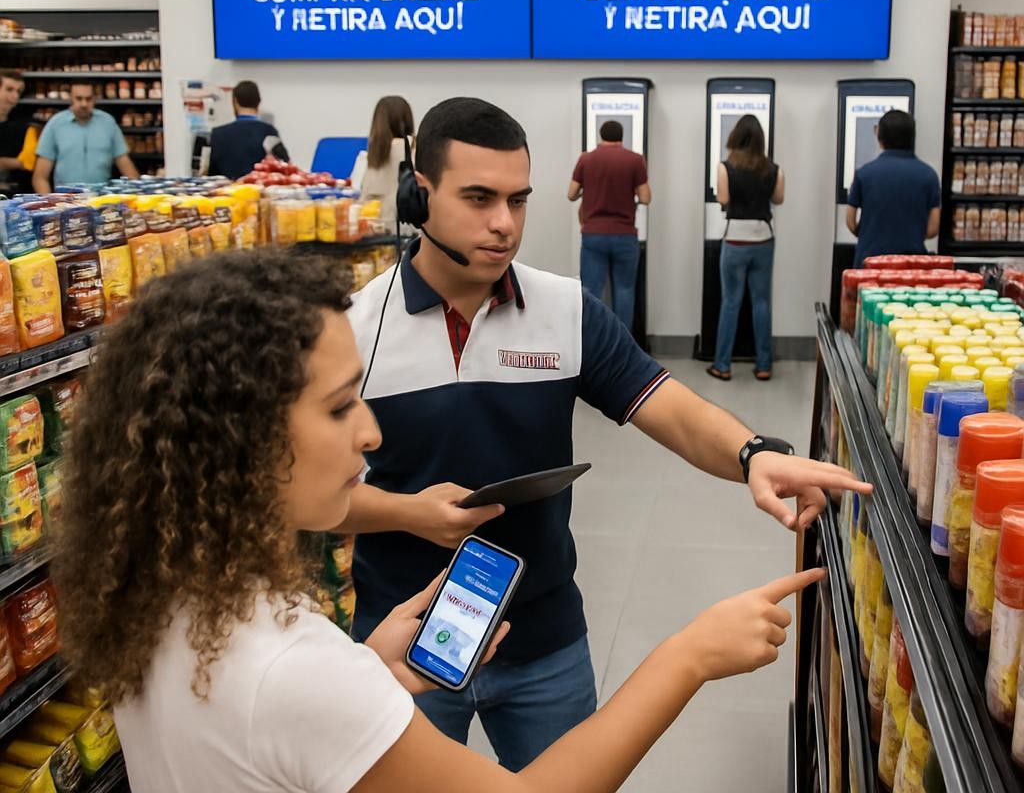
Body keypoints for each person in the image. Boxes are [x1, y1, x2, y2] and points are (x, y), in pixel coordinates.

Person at [53, 247, 827, 792]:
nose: (372, 433)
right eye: (338, 406)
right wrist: (688, 654)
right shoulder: (292, 671)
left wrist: (369, 671)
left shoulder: (166, 599)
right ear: (236, 435)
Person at [343, 97, 870, 770]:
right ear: (419, 195)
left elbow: (667, 403)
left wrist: (752, 454)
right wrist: (406, 513)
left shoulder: (563, 310)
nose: (504, 224)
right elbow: (306, 498)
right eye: (478, 198)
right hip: (401, 641)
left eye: (518, 200)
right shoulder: (355, 330)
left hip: (544, 636)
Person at [708, 115, 785, 383]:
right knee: (761, 303)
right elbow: (778, 199)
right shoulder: (773, 168)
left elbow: (723, 199)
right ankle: (764, 365)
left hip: (736, 239)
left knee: (730, 302)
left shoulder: (725, 167)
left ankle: (722, 365)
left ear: (736, 137)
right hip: (763, 238)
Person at [567, 119, 651, 328]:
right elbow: (646, 197)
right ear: (621, 137)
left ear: (601, 135)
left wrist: (590, 189)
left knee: (591, 291)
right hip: (625, 235)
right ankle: (622, 349)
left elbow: (571, 194)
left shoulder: (586, 159)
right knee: (624, 290)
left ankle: (592, 347)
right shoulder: (635, 160)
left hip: (593, 234)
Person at [847, 109, 941, 268]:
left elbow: (850, 221)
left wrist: (866, 234)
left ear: (879, 136)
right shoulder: (929, 175)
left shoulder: (864, 173)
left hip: (869, 263)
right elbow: (932, 229)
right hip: (912, 265)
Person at [32, 81, 139, 193]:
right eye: (79, 98)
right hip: (65, 202)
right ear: (71, 98)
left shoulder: (108, 122)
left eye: (88, 99)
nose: (84, 104)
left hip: (102, 201)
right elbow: (40, 177)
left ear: (95, 99)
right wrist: (49, 206)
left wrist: (139, 198)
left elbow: (126, 166)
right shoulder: (55, 124)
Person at [207, 80, 289, 179]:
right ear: (259, 101)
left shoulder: (218, 134)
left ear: (235, 102)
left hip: (227, 192)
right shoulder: (269, 132)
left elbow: (211, 174)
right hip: (259, 191)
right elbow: (285, 168)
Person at [360, 95, 415, 225]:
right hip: (409, 229)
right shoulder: (416, 150)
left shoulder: (371, 154)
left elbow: (362, 192)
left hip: (374, 226)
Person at [0, 70, 34, 194]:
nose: (15, 96)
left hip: (13, 195)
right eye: (9, 89)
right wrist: (12, 163)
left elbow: (28, 163)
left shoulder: (24, 125)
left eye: (18, 91)